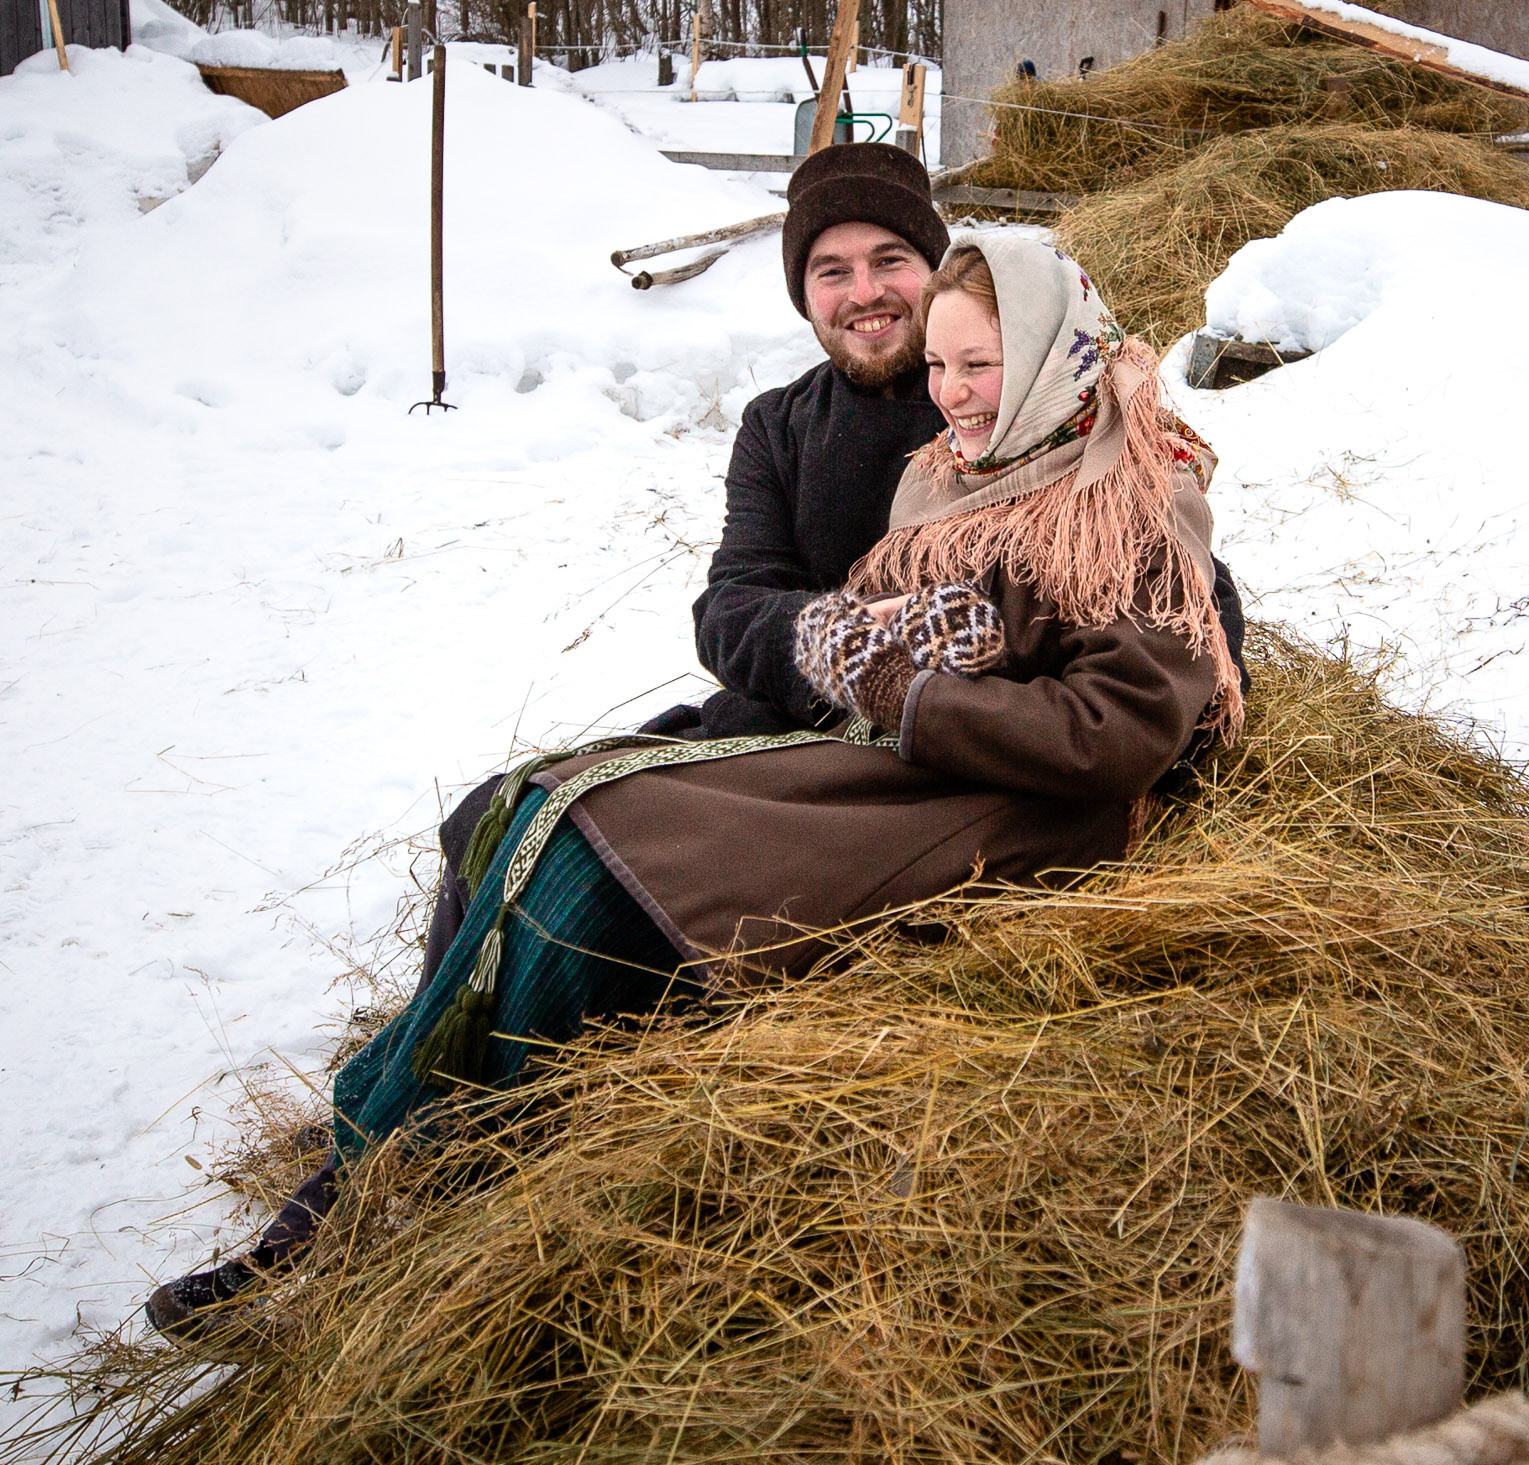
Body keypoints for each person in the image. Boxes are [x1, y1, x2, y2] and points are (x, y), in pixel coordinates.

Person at [145, 178, 1245, 1339]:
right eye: (834, 272)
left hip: (920, 771)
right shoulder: (851, 441)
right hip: (810, 719)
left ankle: (409, 1177)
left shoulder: (1092, 466)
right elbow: (734, 605)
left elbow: (1163, 650)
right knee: (501, 813)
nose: (874, 303)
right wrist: (829, 644)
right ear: (804, 295)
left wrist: (905, 674)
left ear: (991, 321)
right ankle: (382, 1151)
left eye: (893, 268)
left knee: (584, 859)